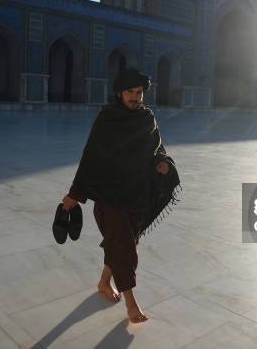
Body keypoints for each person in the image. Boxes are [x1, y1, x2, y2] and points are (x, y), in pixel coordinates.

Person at [61, 67, 179, 323]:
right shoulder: (107, 118)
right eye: (130, 92)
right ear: (119, 93)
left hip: (137, 195)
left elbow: (158, 148)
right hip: (110, 196)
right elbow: (90, 157)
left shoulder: (147, 118)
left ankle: (104, 282)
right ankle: (131, 305)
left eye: (139, 92)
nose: (135, 97)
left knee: (122, 243)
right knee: (125, 249)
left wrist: (162, 163)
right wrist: (74, 194)